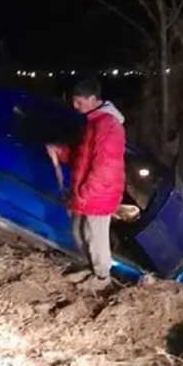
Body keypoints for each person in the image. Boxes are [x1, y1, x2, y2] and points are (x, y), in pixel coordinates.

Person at [47, 78, 126, 289]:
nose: (75, 106)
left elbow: (105, 166)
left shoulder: (108, 125)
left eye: (79, 101)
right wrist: (61, 151)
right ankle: (89, 268)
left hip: (99, 193)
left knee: (95, 236)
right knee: (78, 232)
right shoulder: (92, 123)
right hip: (85, 191)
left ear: (93, 99)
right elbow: (81, 158)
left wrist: (87, 191)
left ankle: (102, 278)